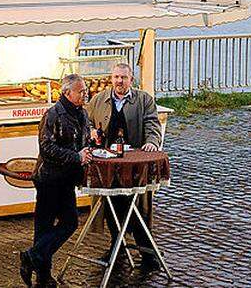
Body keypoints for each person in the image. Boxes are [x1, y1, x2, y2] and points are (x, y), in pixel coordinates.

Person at [85, 62, 163, 273]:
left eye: (124, 78)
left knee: (136, 208)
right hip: (108, 165)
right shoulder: (99, 99)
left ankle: (147, 253)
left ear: (131, 80)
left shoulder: (143, 100)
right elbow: (87, 121)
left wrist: (152, 142)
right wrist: (91, 132)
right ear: (112, 78)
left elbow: (152, 124)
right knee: (110, 204)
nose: (120, 81)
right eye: (116, 77)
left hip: (134, 165)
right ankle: (116, 245)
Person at [21, 74, 92, 287]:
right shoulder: (53, 115)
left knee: (67, 223)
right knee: (48, 226)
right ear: (67, 93)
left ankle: (33, 259)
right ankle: (42, 275)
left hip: (66, 178)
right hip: (49, 179)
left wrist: (91, 142)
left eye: (85, 90)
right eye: (81, 91)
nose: (85, 94)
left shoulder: (82, 114)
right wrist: (76, 157)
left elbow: (81, 139)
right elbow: (47, 148)